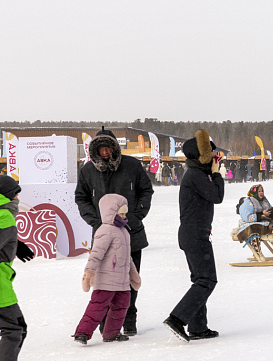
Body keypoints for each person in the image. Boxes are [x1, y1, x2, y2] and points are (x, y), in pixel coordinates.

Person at [75, 127, 153, 336]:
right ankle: (105, 324)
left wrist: (136, 216)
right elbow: (81, 198)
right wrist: (97, 222)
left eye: (108, 148)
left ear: (114, 148)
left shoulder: (132, 166)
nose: (105, 153)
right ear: (94, 150)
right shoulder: (88, 170)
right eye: (100, 149)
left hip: (131, 233)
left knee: (130, 280)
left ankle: (129, 321)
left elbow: (146, 190)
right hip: (103, 236)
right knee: (103, 282)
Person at [164, 130, 224, 343]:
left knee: (200, 279)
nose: (215, 156)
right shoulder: (196, 175)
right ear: (201, 155)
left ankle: (198, 327)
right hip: (195, 234)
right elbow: (217, 196)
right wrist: (217, 173)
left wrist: (213, 171)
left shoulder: (197, 174)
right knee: (207, 280)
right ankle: (177, 318)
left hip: (193, 233)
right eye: (210, 153)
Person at [73, 194, 142, 345]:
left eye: (125, 213)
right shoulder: (105, 230)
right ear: (110, 212)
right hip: (106, 280)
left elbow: (127, 256)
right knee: (97, 307)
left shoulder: (124, 231)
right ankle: (82, 333)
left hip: (122, 281)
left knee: (122, 306)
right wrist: (89, 272)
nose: (124, 216)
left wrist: (133, 273)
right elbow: (96, 255)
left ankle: (111, 333)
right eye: (120, 213)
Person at [0, 176, 34, 360]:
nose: (18, 199)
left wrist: (13, 243)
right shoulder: (5, 216)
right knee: (16, 329)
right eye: (15, 195)